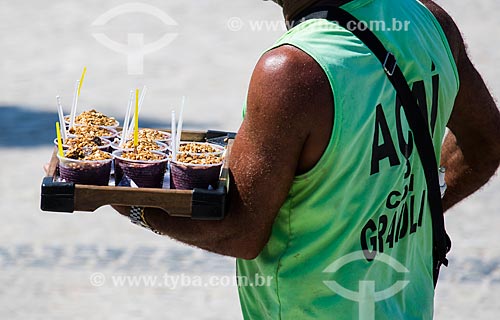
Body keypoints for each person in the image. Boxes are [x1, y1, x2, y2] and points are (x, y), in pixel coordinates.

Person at [113, 0, 500, 318]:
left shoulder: (292, 72)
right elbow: (486, 141)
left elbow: (240, 231)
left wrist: (127, 201)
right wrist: (412, 209)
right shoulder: (426, 21)